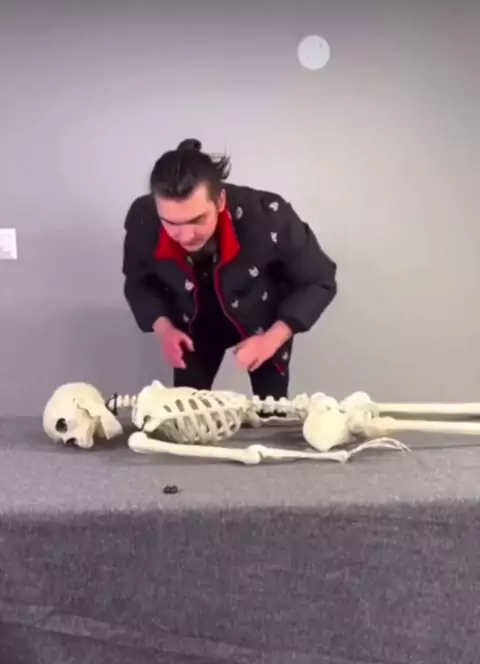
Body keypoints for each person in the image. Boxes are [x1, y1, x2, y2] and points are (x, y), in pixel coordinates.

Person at [122, 138, 337, 400]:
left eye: (198, 219)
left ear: (220, 199)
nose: (185, 236)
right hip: (193, 323)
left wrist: (272, 338)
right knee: (184, 410)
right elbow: (138, 282)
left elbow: (319, 279)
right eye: (171, 222)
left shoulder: (268, 215)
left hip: (263, 318)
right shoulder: (143, 217)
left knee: (273, 411)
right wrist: (164, 329)